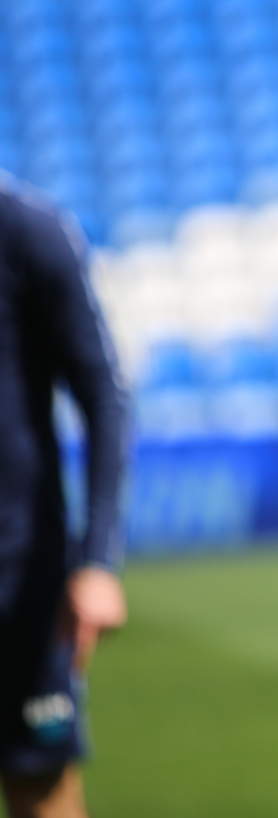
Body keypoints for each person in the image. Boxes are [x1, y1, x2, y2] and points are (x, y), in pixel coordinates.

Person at [0, 177, 130, 818]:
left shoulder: (25, 228)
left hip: (20, 578)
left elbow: (103, 394)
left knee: (40, 788)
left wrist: (97, 560)